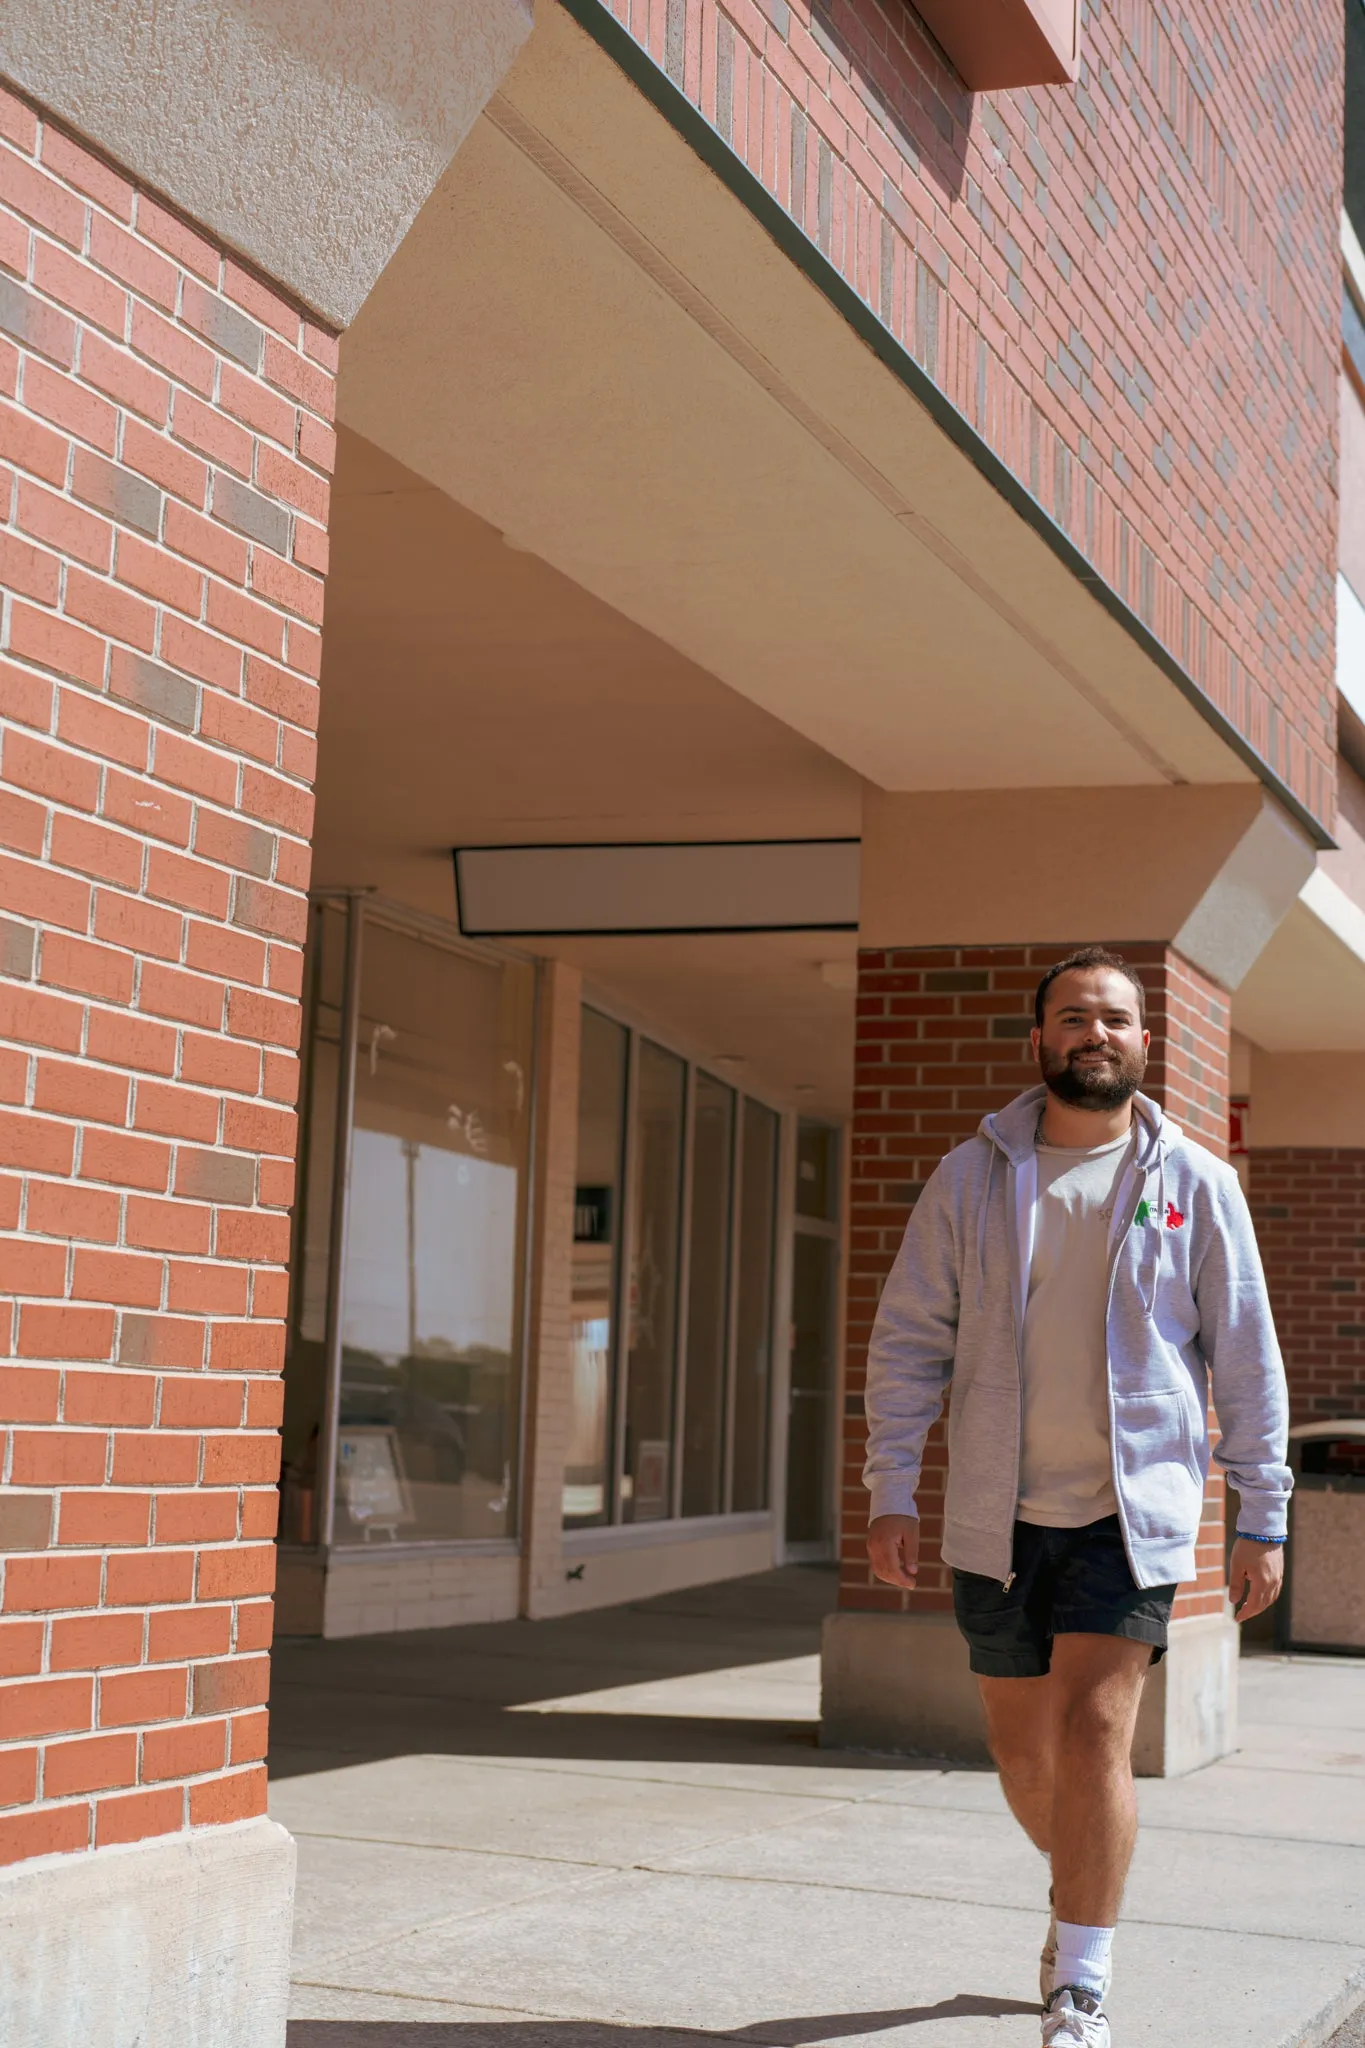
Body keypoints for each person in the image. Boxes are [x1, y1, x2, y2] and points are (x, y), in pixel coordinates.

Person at [863, 947, 1290, 2047]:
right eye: (1071, 1017)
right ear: (1038, 1040)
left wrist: (1262, 1507)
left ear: (1144, 1043)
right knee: (1023, 1754)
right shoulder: (973, 1176)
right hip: (994, 1514)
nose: (1093, 1032)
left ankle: (1081, 1984)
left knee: (1100, 1727)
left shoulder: (1194, 1180)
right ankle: (1075, 1903)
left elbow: (1246, 1353)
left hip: (1130, 1511)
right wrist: (891, 1485)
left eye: (1114, 1018)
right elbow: (910, 1337)